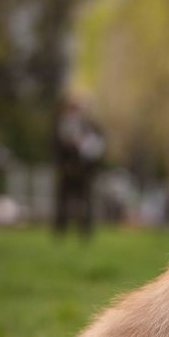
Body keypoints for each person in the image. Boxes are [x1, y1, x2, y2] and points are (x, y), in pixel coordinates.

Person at [53, 98, 105, 235]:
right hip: (66, 166)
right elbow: (57, 146)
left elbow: (97, 146)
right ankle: (61, 228)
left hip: (84, 168)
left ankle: (85, 229)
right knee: (63, 199)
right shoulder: (60, 125)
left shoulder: (89, 126)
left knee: (85, 199)